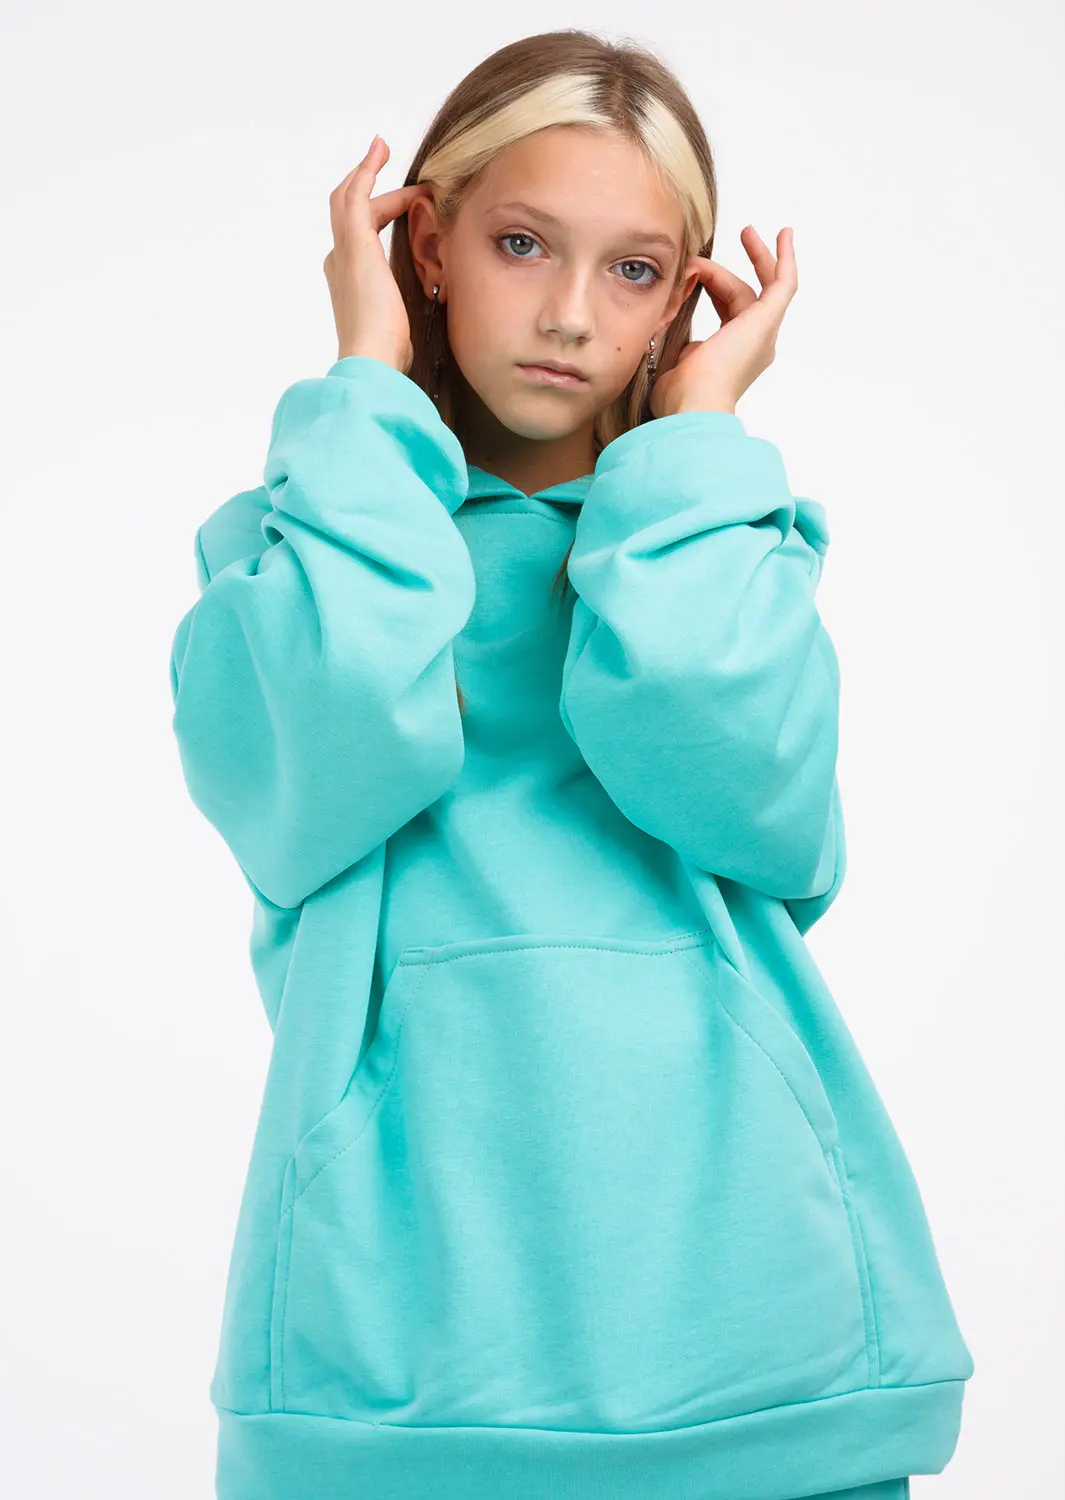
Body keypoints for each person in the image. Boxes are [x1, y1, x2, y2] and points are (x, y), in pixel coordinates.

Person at [167, 28, 974, 1500]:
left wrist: (699, 435)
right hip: (393, 1341)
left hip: (755, 1329)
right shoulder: (302, 551)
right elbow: (317, 779)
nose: (570, 315)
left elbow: (751, 810)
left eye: (635, 270)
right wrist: (365, 386)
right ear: (427, 245)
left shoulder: (719, 541)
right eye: (523, 242)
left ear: (684, 300)